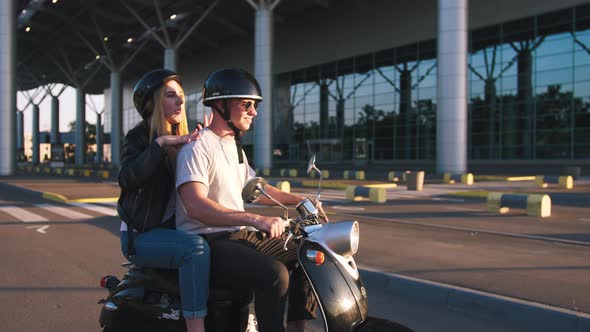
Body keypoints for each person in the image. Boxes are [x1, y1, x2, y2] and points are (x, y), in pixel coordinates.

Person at [175, 67, 328, 332]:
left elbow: (258, 189)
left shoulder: (235, 148)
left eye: (255, 105)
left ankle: (297, 328)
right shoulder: (196, 148)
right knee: (274, 275)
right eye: (247, 104)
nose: (254, 112)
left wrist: (301, 200)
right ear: (221, 104)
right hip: (210, 242)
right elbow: (195, 206)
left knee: (311, 251)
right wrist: (255, 219)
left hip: (238, 237)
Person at [117, 69, 212, 332]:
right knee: (195, 250)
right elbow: (128, 178)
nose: (181, 102)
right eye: (172, 96)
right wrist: (159, 144)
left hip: (173, 229)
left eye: (181, 96)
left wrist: (210, 142)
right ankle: (196, 328)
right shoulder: (139, 138)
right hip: (141, 234)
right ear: (154, 102)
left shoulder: (187, 140)